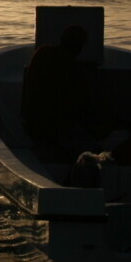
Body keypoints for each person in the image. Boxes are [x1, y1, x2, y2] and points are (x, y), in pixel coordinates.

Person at [20, 24, 101, 164]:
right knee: (95, 149)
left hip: (33, 121)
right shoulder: (71, 70)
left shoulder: (43, 53)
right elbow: (82, 106)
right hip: (53, 128)